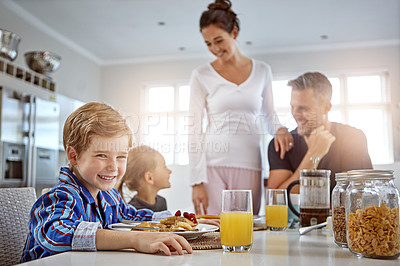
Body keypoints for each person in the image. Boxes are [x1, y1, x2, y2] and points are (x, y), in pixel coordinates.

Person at [21, 102, 192, 262]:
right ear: (74, 156)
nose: (113, 167)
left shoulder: (109, 195)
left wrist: (185, 220)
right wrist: (135, 239)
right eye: (102, 155)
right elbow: (56, 234)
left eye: (121, 157)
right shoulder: (60, 196)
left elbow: (132, 216)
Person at [189, 0, 293, 215]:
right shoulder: (201, 75)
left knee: (247, 230)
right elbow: (194, 128)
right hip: (212, 165)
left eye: (219, 40)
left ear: (234, 33)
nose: (215, 49)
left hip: (250, 163)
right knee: (215, 231)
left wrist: (280, 129)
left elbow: (269, 115)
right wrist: (196, 181)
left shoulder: (263, 71)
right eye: (208, 44)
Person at [267, 72, 373, 193]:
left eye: (303, 108)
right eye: (292, 107)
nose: (295, 114)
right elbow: (277, 200)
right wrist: (313, 155)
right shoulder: (282, 144)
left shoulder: (352, 138)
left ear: (326, 107)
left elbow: (352, 197)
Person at [116, 145, 171, 212]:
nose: (170, 171)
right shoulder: (132, 210)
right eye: (164, 166)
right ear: (149, 178)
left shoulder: (162, 202)